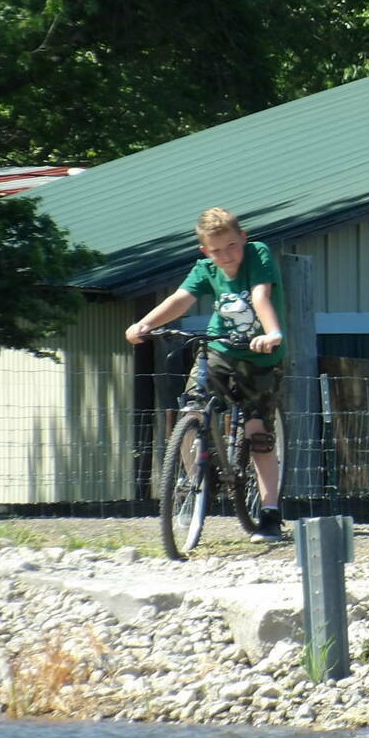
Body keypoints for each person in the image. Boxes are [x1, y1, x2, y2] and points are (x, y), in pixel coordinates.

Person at [125, 207, 288, 543]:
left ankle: (270, 512)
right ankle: (197, 481)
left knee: (257, 433)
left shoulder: (257, 255)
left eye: (232, 246)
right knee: (191, 410)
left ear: (243, 238)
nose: (225, 256)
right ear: (205, 251)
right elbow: (180, 299)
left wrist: (272, 333)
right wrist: (145, 324)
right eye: (216, 251)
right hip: (219, 349)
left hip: (260, 356)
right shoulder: (205, 269)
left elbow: (260, 296)